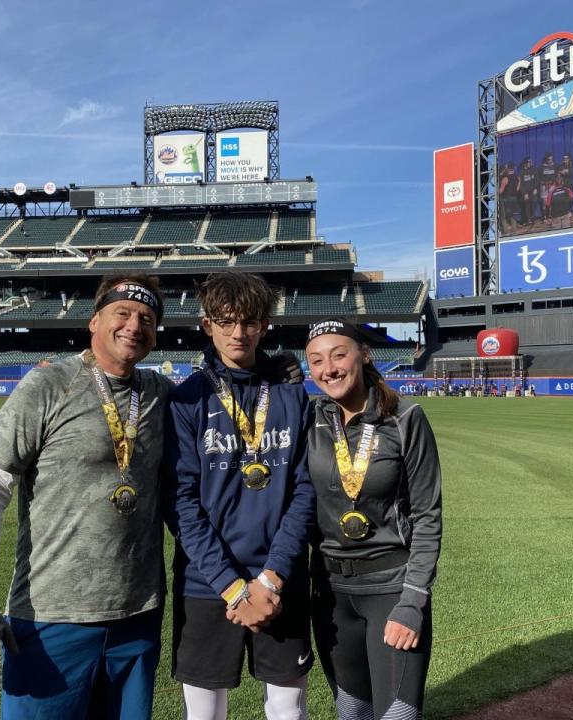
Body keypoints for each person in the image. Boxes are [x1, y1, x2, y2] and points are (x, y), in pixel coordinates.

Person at [0, 274, 171, 720]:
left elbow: (228, 388)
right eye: (123, 313)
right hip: (52, 615)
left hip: (138, 614)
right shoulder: (50, 385)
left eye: (147, 319)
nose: (135, 325)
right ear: (95, 321)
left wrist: (271, 368)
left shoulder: (160, 393)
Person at [163, 271, 315, 720]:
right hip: (207, 582)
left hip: (281, 575)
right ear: (207, 324)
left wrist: (270, 579)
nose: (238, 333)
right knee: (205, 712)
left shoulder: (291, 395)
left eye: (249, 322)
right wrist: (232, 586)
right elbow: (181, 503)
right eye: (226, 321)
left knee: (288, 708)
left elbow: (305, 491)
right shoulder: (186, 400)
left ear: (265, 325)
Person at [305, 320, 442, 720]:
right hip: (330, 594)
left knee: (396, 715)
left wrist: (413, 602)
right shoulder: (309, 419)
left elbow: (428, 515)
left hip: (391, 590)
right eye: (316, 360)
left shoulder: (405, 418)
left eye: (339, 354)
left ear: (364, 355)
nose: (328, 368)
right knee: (352, 713)